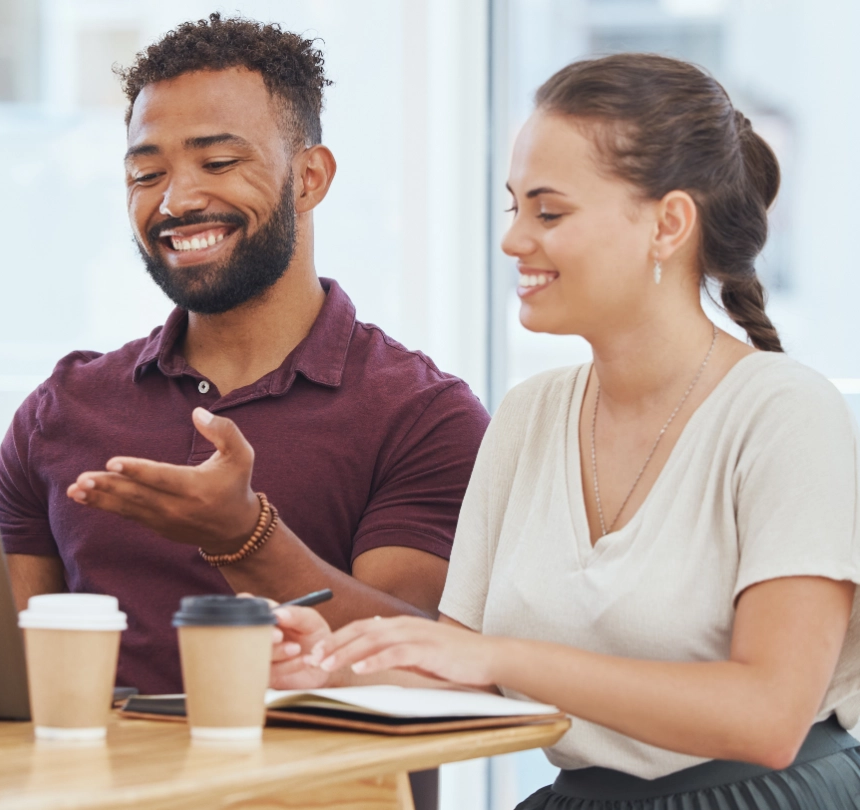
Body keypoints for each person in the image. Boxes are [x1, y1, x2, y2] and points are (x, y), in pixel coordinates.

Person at [270, 53, 860, 807]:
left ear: (668, 224)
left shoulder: (787, 414)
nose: (515, 240)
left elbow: (769, 717)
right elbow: (466, 670)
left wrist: (499, 653)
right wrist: (329, 669)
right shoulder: (528, 414)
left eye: (549, 212)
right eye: (514, 208)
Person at [0, 7, 488, 714]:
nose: (176, 199)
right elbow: (2, 669)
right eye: (146, 172)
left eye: (218, 162)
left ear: (310, 177)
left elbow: (428, 669)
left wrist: (246, 538)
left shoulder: (423, 415)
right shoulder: (63, 408)